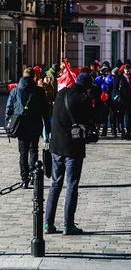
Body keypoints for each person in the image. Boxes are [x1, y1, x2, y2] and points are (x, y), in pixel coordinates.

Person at [44, 72, 94, 235]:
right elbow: (90, 120)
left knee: (55, 184)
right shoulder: (83, 100)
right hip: (73, 147)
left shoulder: (61, 94)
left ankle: (48, 223)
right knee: (72, 184)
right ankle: (68, 224)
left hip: (56, 145)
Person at [5, 68, 51, 187]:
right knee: (33, 150)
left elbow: (8, 109)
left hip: (21, 126)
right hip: (35, 125)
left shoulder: (15, 91)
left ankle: (24, 178)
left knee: (23, 152)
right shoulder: (39, 91)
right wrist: (48, 128)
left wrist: (9, 124)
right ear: (34, 77)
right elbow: (46, 112)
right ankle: (33, 175)